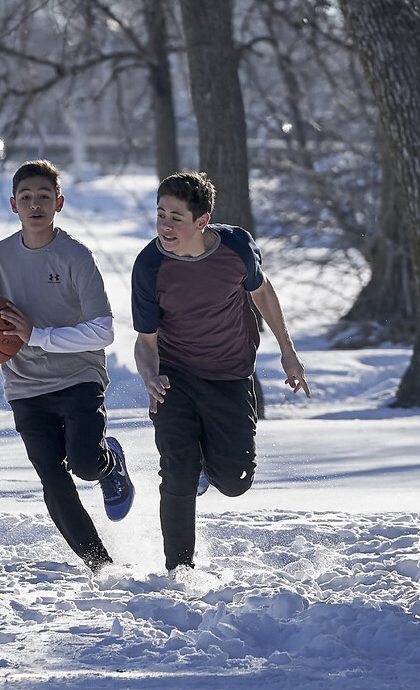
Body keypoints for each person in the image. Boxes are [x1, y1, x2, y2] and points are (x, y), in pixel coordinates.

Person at [0, 160, 134, 572]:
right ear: (13, 205)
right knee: (52, 477)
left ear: (59, 203)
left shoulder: (76, 256)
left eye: (44, 197)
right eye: (26, 197)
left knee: (85, 464)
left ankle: (109, 463)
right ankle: (101, 566)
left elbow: (104, 330)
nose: (35, 204)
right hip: (25, 386)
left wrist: (37, 335)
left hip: (78, 378)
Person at [131, 172, 311, 572]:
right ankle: (179, 572)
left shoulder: (236, 247)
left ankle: (205, 467)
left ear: (202, 220)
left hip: (230, 375)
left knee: (235, 481)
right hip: (174, 377)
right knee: (177, 471)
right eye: (160, 214)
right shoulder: (149, 266)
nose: (165, 226)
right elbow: (145, 342)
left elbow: (261, 291)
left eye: (176, 217)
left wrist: (288, 351)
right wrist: (150, 377)